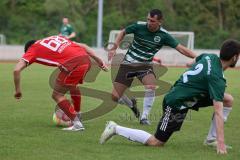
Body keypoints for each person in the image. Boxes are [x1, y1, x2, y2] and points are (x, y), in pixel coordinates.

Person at [100, 39, 240, 155]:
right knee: (156, 142)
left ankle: (211, 139)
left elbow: (195, 61)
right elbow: (218, 111)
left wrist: (192, 71)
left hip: (190, 97)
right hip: (175, 103)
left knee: (228, 99)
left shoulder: (210, 56)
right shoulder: (217, 79)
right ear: (234, 57)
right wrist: (222, 144)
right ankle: (115, 128)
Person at [108, 9, 196, 124]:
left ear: (160, 22)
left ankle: (144, 117)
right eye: (148, 19)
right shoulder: (139, 27)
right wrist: (114, 47)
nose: (149, 22)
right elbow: (123, 32)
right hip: (127, 64)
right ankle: (131, 104)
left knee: (151, 86)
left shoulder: (164, 35)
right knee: (114, 97)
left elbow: (181, 48)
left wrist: (199, 58)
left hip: (145, 66)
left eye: (153, 21)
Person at [13, 35, 108, 131]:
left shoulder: (32, 49)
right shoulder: (54, 37)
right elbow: (83, 46)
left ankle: (77, 124)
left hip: (73, 64)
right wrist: (98, 60)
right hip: (85, 60)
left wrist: (17, 91)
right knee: (72, 86)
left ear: (28, 48)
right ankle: (78, 115)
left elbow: (16, 70)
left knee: (57, 95)